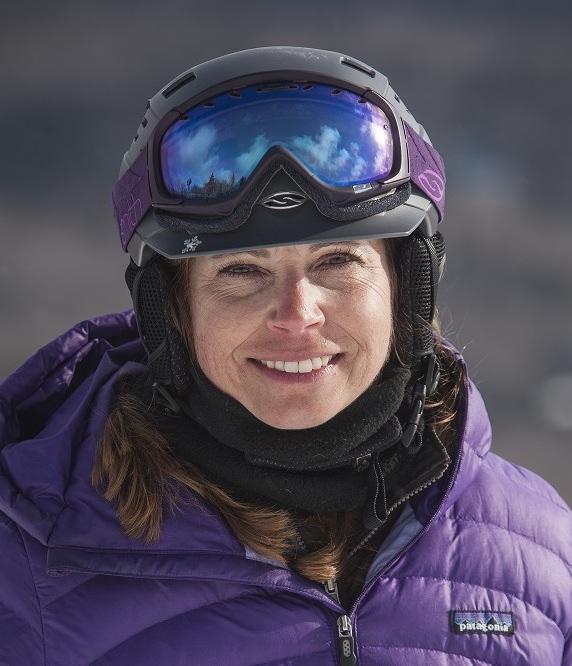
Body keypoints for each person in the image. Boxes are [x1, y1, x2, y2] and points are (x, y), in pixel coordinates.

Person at [0, 46, 570, 666]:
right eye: (241, 270)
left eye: (337, 261)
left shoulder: (539, 555)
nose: (297, 316)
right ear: (173, 312)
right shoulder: (25, 569)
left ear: (406, 288)